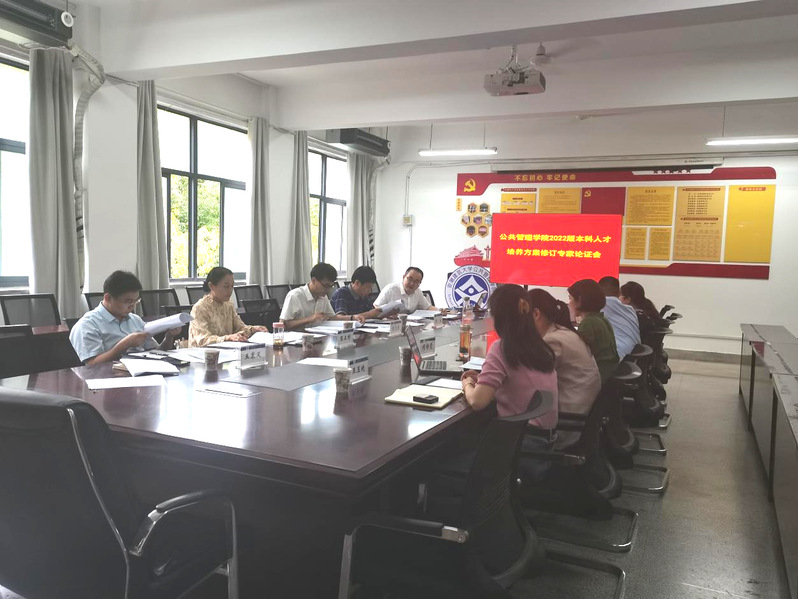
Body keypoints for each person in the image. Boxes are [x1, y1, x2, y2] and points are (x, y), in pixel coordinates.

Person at [460, 284, 559, 480]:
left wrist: (467, 383)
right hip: (544, 447)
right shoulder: (541, 347)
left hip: (520, 450)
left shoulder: (503, 348)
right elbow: (519, 381)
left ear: (498, 318)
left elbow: (477, 402)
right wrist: (486, 382)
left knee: (447, 451)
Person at [527, 289, 601, 448]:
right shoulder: (565, 332)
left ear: (536, 314)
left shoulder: (552, 340)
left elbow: (529, 381)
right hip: (581, 415)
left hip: (566, 422)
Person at [69, 270, 181, 365]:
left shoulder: (135, 320)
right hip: (110, 378)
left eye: (136, 301)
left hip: (143, 373)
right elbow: (92, 365)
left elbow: (156, 353)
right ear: (108, 298)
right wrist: (125, 344)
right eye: (128, 301)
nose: (132, 306)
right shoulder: (87, 325)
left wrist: (169, 338)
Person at [188, 267, 269, 347]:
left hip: (226, 352)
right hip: (202, 354)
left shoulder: (228, 304)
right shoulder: (200, 308)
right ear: (211, 286)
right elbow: (202, 340)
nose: (230, 291)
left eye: (232, 286)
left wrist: (253, 329)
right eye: (226, 286)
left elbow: (240, 328)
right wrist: (227, 338)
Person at [280, 262, 366, 330]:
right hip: (296, 341)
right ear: (314, 280)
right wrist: (310, 319)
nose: (328, 290)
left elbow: (332, 318)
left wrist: (352, 317)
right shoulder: (295, 296)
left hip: (317, 337)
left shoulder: (323, 296)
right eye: (325, 286)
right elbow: (283, 324)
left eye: (331, 286)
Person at [567, 278, 620, 384]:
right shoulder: (601, 319)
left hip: (597, 379)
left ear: (579, 300)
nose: (569, 303)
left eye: (570, 298)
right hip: (609, 375)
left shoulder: (588, 323)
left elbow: (578, 357)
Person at [598, 276, 641, 359]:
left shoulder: (602, 304)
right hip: (634, 356)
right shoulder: (630, 309)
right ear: (619, 293)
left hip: (619, 356)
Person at [373, 266, 440, 314]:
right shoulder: (391, 289)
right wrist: (386, 315)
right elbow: (376, 306)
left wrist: (439, 310)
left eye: (416, 281)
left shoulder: (418, 292)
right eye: (410, 279)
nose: (412, 283)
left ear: (419, 283)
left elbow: (428, 307)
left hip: (410, 325)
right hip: (390, 324)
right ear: (403, 277)